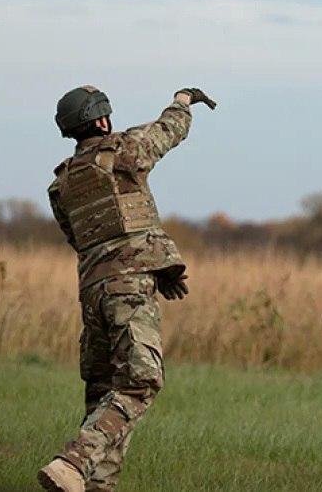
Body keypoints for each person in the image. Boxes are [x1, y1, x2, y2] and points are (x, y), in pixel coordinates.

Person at [38, 84, 215, 492]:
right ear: (102, 119)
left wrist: (158, 264)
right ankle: (73, 461)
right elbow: (168, 131)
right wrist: (183, 101)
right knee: (141, 380)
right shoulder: (123, 150)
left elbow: (84, 240)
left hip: (93, 293)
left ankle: (94, 484)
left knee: (104, 392)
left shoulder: (61, 184)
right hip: (128, 291)